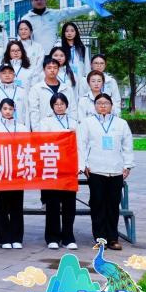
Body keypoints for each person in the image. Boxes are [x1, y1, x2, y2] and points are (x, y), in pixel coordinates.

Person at [81, 93, 133, 251]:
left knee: (113, 205)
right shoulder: (87, 123)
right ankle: (100, 238)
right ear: (95, 106)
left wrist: (127, 165)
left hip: (115, 170)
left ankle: (113, 238)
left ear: (111, 105)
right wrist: (84, 165)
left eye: (106, 103)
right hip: (95, 169)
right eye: (99, 103)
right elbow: (81, 145)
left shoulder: (121, 123)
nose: (102, 106)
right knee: (97, 204)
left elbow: (127, 145)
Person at [39, 93, 84, 250]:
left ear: (67, 105)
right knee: (52, 203)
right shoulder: (45, 122)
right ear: (52, 106)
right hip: (52, 167)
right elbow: (44, 141)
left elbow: (80, 145)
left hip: (69, 168)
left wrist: (80, 166)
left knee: (69, 204)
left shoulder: (74, 122)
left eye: (62, 104)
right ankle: (52, 237)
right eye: (56, 104)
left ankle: (68, 237)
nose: (59, 107)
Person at [0, 98, 30, 249]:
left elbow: (27, 147)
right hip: (1, 170)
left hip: (18, 171)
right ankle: (4, 238)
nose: (7, 111)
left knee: (17, 205)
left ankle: (17, 237)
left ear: (14, 110)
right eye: (5, 109)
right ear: (0, 110)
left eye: (10, 109)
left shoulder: (22, 128)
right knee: (2, 205)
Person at [20, 0, 90, 51]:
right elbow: (21, 37)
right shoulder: (26, 19)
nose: (39, 2)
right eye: (36, 0)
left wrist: (91, 6)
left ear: (45, 0)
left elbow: (69, 11)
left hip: (53, 54)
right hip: (35, 55)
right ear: (31, 1)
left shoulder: (53, 14)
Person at [29, 57, 78, 129]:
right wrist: (36, 130)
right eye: (49, 68)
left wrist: (72, 126)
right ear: (44, 70)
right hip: (45, 129)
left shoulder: (67, 89)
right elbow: (34, 111)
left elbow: (73, 110)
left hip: (66, 129)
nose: (52, 70)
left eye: (55, 68)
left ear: (58, 70)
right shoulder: (36, 89)